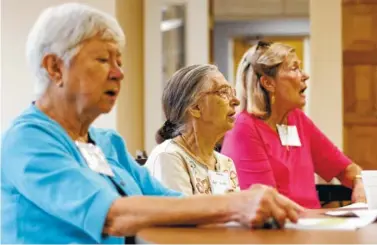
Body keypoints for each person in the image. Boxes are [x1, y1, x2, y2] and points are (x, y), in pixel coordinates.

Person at [0, 4, 304, 244]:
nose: (118, 73)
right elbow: (110, 216)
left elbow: (169, 202)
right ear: (55, 68)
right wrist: (235, 205)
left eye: (119, 61)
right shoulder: (28, 139)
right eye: (104, 60)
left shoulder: (107, 143)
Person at [221, 41, 366, 209]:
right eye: (294, 68)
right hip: (276, 230)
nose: (305, 75)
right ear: (268, 83)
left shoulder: (297, 120)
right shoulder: (244, 128)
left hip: (310, 227)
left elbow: (345, 168)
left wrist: (359, 182)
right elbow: (267, 206)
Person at [145, 64, 240, 195]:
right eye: (223, 92)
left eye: (232, 93)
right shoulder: (169, 157)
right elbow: (180, 214)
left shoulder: (225, 163)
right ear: (195, 108)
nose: (236, 101)